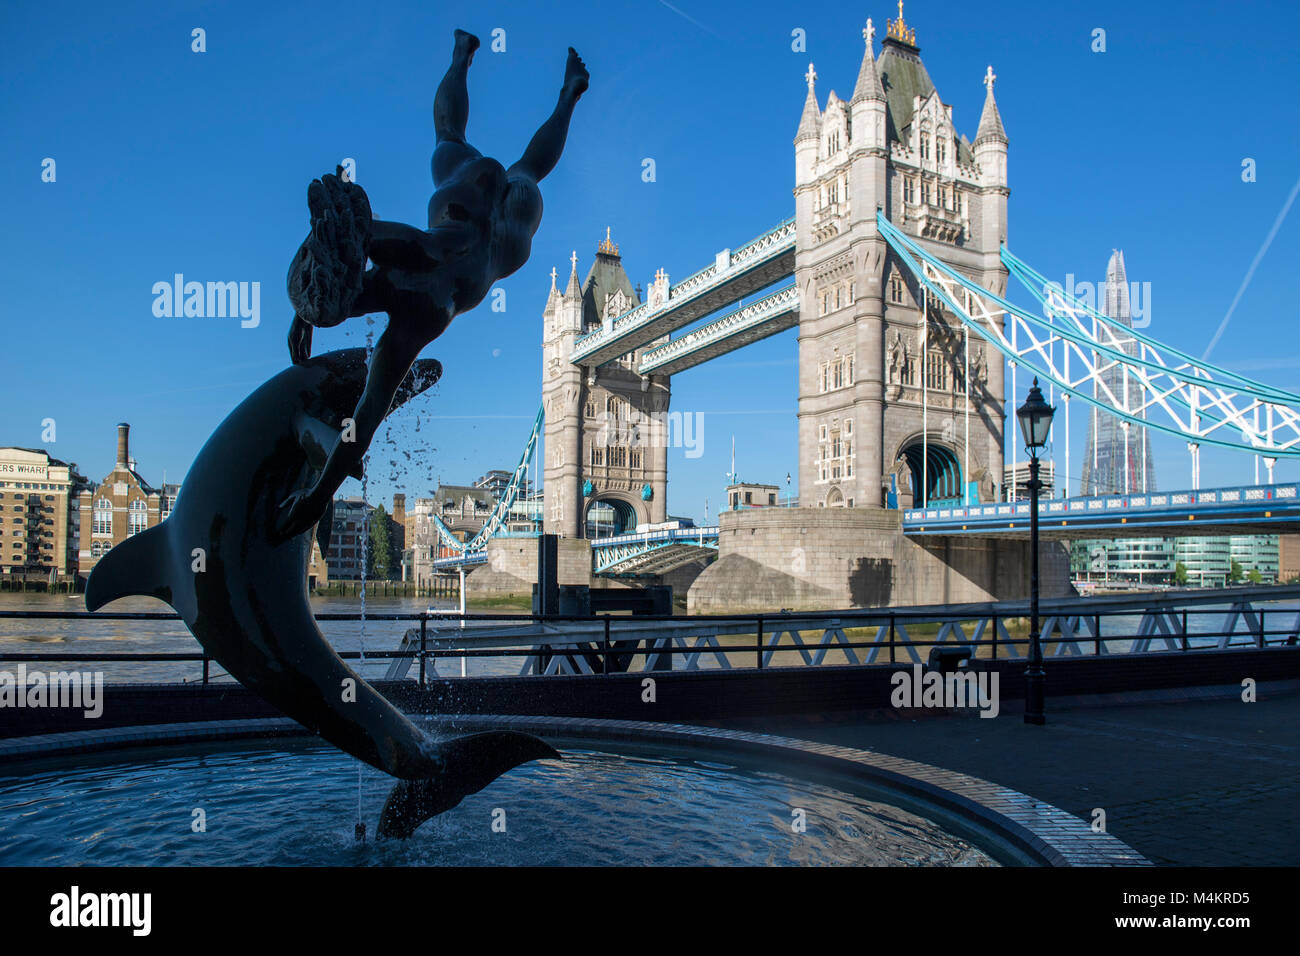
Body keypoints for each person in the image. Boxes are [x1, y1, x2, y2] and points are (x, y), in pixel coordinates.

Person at [279, 29, 588, 537]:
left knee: (515, 166)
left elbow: (365, 421)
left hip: (502, 224)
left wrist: (316, 501)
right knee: (459, 143)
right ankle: (504, 70)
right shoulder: (401, 277)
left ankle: (525, 78)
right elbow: (353, 238)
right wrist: (306, 309)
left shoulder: (422, 306)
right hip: (460, 200)